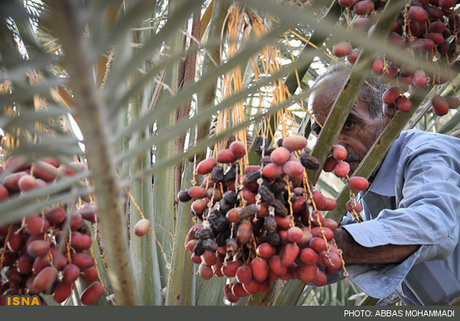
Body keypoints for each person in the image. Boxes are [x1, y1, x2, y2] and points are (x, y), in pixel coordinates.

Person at [308, 65, 460, 306]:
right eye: (322, 132)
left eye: (349, 123)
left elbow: (433, 223)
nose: (335, 148)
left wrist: (335, 242)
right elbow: (323, 260)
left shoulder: (424, 154)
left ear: (389, 115)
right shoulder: (363, 193)